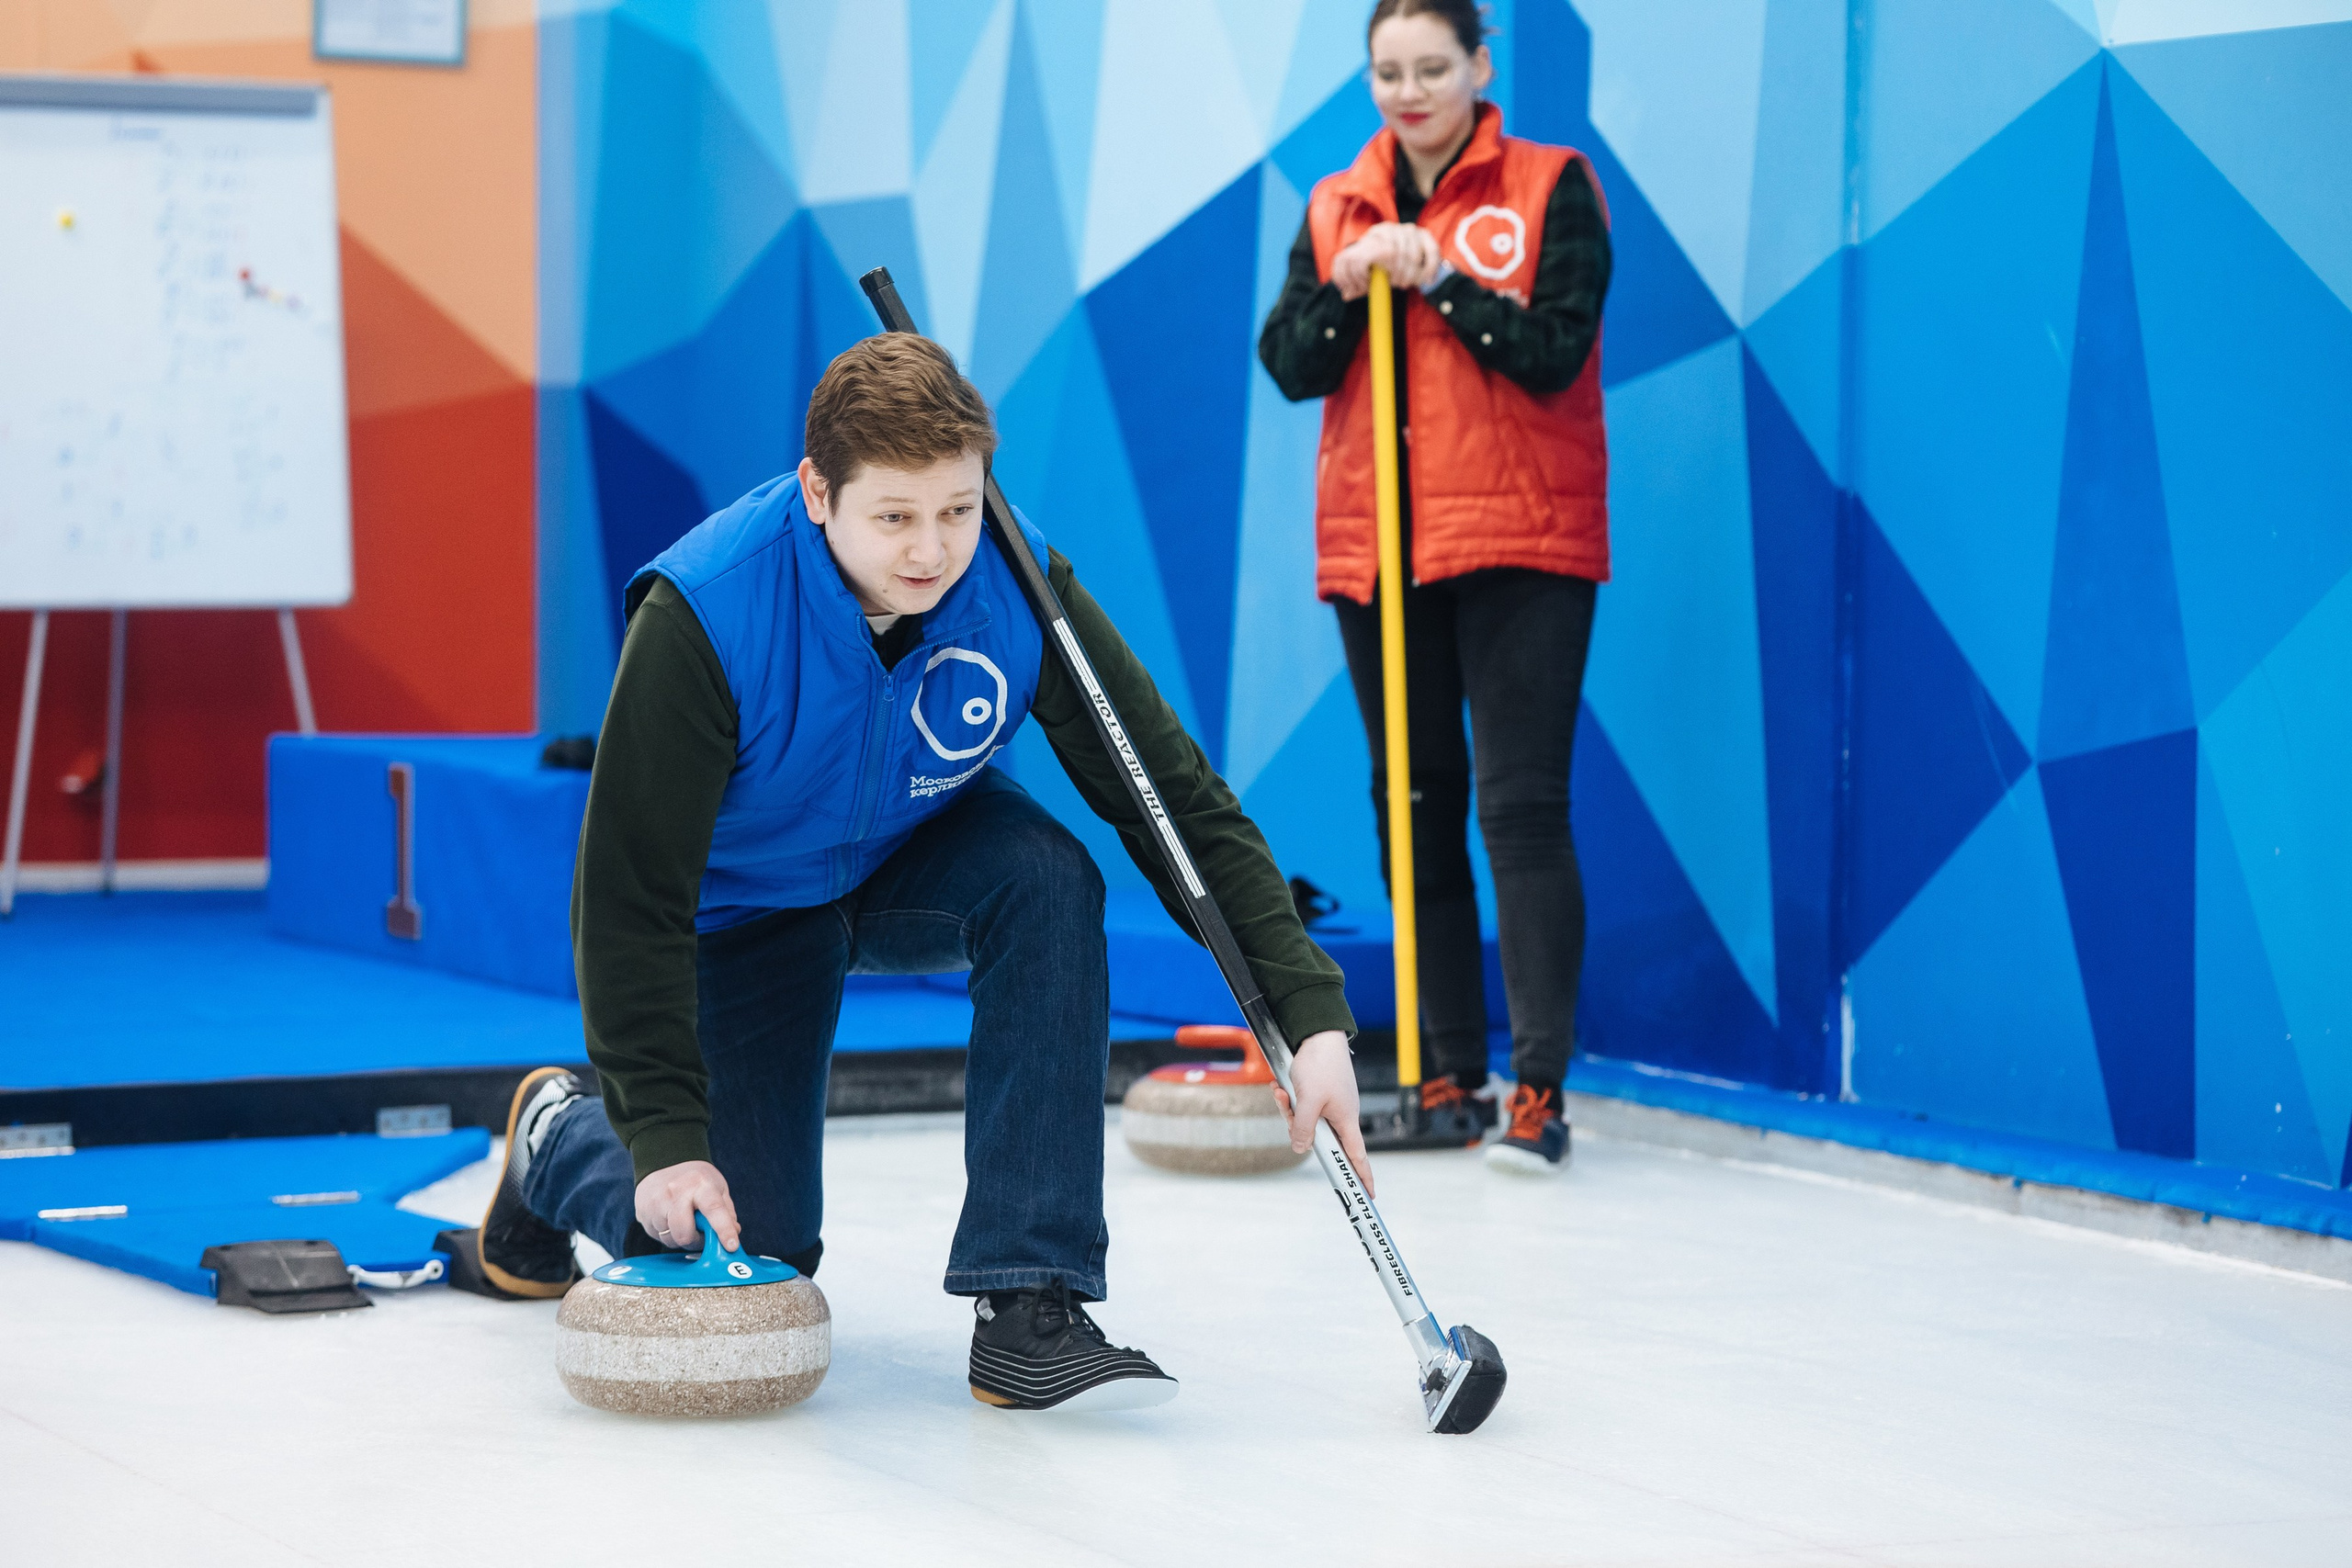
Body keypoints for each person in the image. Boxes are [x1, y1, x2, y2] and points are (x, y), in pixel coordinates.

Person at [470, 334, 1374, 1410]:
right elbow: (629, 897)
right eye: (894, 516)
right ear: (818, 493)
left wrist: (1306, 1015)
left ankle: (1029, 1301)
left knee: (1046, 876)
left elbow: (1170, 796)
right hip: (745, 907)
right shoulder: (706, 611)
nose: (932, 550)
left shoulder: (1017, 581)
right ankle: (558, 1134)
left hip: (913, 853)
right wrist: (664, 1137)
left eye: (957, 508)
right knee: (747, 1260)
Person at [1257, 0, 1611, 1174]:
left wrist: (1442, 278)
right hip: (1381, 552)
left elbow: (1555, 353)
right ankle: (1448, 1075)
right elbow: (1288, 363)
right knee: (1414, 810)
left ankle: (1539, 1091)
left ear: (1479, 66)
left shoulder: (1552, 185)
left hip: (1521, 544)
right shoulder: (1336, 204)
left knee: (1519, 807)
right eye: (1387, 72)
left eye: (1431, 68)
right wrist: (1346, 285)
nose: (1408, 92)